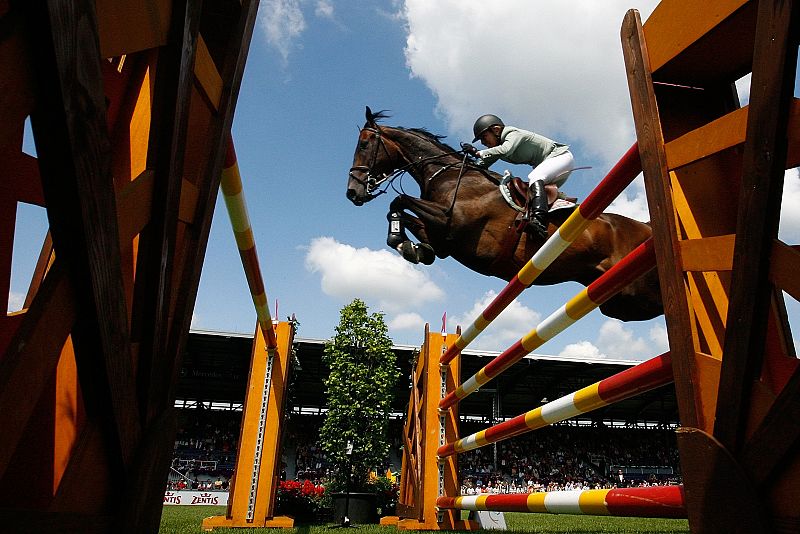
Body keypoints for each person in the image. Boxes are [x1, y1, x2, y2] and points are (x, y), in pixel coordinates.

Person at [467, 114, 575, 238]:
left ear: (496, 130)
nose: (483, 142)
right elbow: (482, 165)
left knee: (534, 177)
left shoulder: (512, 134)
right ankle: (556, 207)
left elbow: (505, 150)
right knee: (531, 192)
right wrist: (467, 163)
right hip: (553, 165)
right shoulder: (497, 148)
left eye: (484, 137)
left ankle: (539, 223)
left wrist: (478, 152)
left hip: (561, 157)